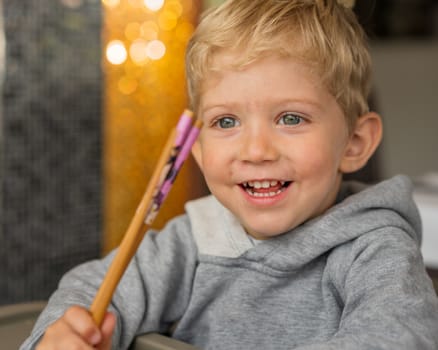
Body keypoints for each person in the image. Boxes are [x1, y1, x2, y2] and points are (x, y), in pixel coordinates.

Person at [21, 0, 438, 349]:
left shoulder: (374, 249)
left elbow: (399, 336)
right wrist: (62, 334)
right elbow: (92, 287)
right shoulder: (195, 240)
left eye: (290, 118)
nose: (256, 151)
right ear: (196, 149)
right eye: (225, 122)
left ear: (355, 143)